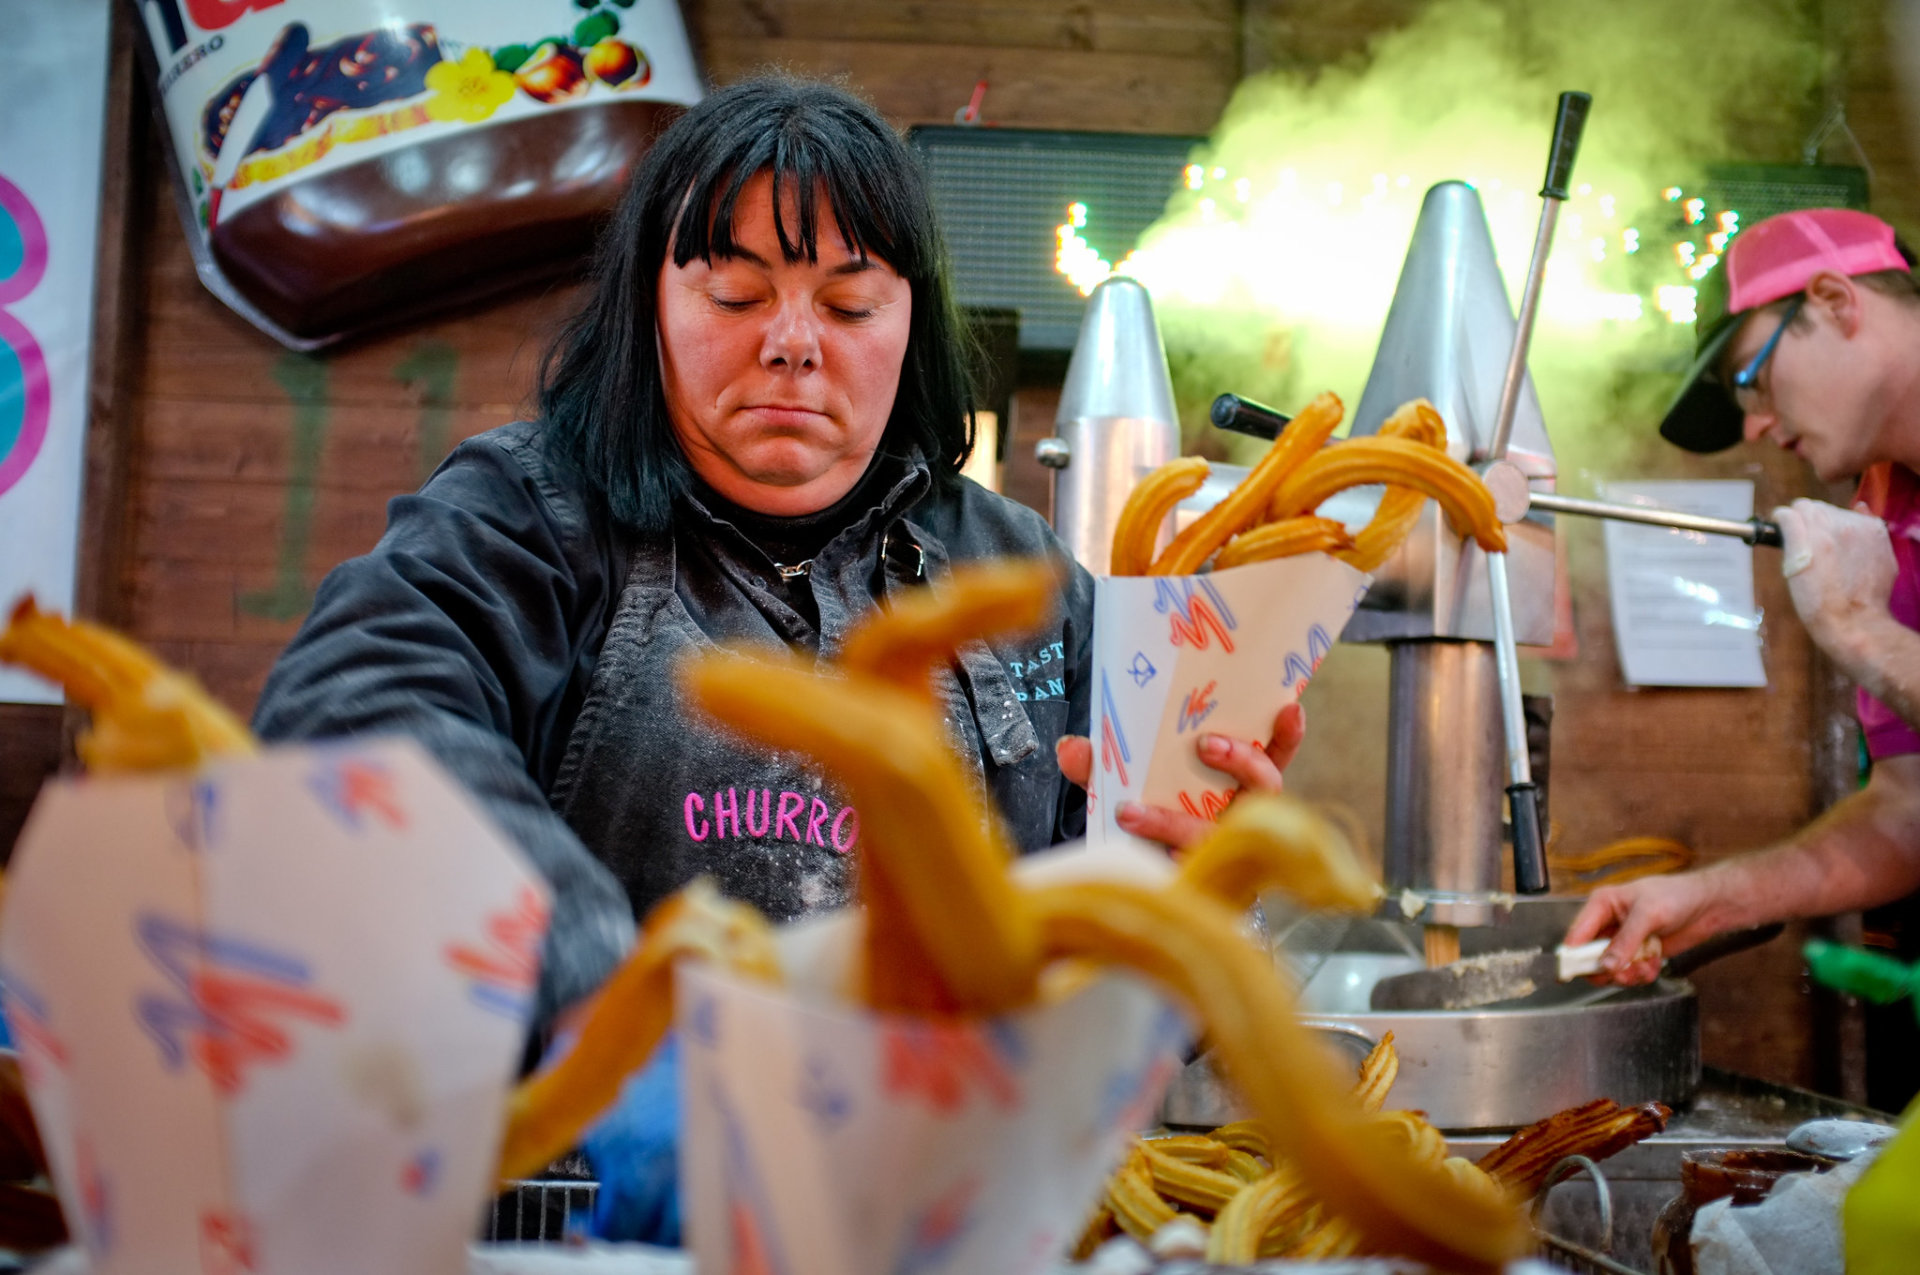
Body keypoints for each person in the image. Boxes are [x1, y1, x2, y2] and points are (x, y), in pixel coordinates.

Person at [251, 75, 1299, 1240]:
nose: (793, 346)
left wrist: (1199, 895)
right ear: (652, 305)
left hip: (934, 1223)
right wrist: (610, 1003)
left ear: (912, 323)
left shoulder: (1022, 582)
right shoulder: (527, 517)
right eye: (738, 293)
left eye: (849, 307)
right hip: (581, 1218)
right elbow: (354, 719)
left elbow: (1118, 965)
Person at [1566, 208, 1920, 985]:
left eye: (1750, 379)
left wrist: (1863, 631)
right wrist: (1716, 897)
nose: (1757, 424)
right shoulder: (1889, 518)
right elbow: (1907, 807)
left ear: (1834, 301)